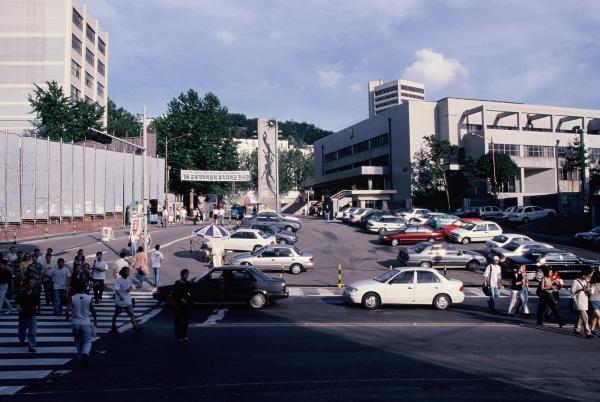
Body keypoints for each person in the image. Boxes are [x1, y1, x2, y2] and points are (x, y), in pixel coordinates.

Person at [68, 285, 97, 365]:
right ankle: (85, 353)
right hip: (85, 322)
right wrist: (95, 319)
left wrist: (68, 315)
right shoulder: (88, 298)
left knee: (77, 340)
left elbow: (68, 310)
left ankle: (80, 356)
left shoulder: (73, 297)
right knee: (87, 340)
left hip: (75, 322)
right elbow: (93, 310)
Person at [110, 266, 143, 334]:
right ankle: (113, 328)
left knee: (131, 314)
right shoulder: (119, 280)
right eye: (127, 271)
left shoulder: (129, 278)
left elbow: (132, 285)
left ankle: (136, 327)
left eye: (129, 271)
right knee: (116, 314)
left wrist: (130, 288)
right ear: (123, 272)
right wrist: (120, 296)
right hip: (120, 301)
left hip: (127, 300)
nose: (128, 272)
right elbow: (116, 289)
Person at [16, 278, 40, 352]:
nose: (32, 284)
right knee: (22, 329)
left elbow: (38, 302)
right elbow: (17, 303)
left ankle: (31, 346)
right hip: (23, 314)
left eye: (33, 282)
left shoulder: (35, 293)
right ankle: (22, 339)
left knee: (32, 331)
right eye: (31, 282)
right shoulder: (21, 293)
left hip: (33, 314)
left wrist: (39, 309)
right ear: (26, 284)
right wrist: (19, 309)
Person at [572, 269, 593, 339]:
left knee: (581, 316)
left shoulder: (586, 281)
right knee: (585, 317)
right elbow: (572, 292)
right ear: (583, 275)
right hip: (579, 301)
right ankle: (588, 332)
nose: (588, 277)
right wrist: (581, 289)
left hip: (585, 300)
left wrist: (588, 290)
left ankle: (576, 329)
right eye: (587, 276)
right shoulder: (575, 281)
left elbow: (587, 290)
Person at [172, 269, 192, 342]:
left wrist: (188, 300)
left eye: (187, 274)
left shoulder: (188, 283)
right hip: (178, 305)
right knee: (178, 322)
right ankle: (179, 336)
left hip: (186, 305)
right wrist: (180, 299)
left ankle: (184, 335)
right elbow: (175, 294)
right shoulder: (177, 283)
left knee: (185, 321)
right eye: (185, 274)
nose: (186, 276)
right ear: (181, 275)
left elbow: (190, 293)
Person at [589, 270, 600, 335]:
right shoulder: (590, 284)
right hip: (593, 301)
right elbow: (589, 293)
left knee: (595, 317)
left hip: (599, 301)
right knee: (599, 316)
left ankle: (592, 330)